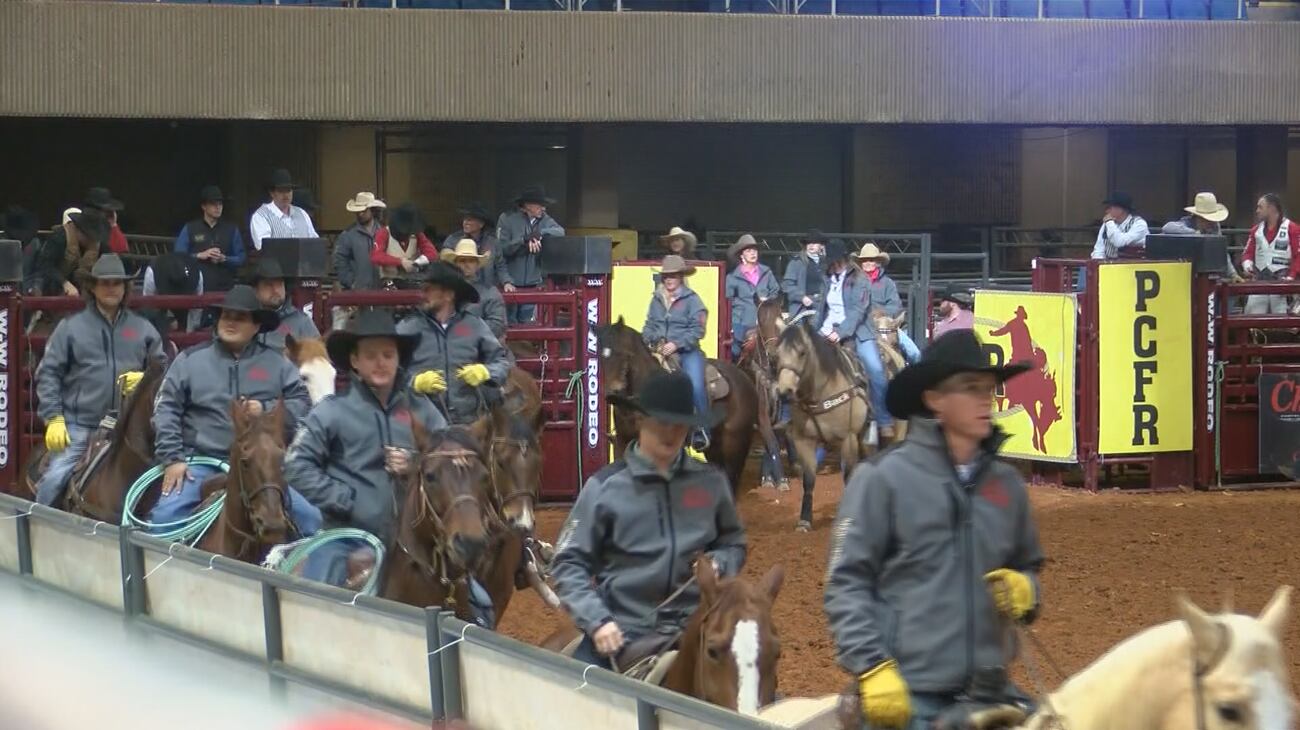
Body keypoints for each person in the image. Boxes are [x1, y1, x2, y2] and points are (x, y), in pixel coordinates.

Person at [825, 329, 1045, 730]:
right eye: (971, 388)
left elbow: (1028, 565)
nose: (986, 399)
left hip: (992, 691)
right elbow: (846, 584)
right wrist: (873, 668)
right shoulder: (882, 480)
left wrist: (1027, 590)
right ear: (935, 400)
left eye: (989, 389)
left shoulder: (1006, 486)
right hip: (908, 693)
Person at [552, 371, 746, 670]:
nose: (671, 433)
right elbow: (568, 563)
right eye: (662, 422)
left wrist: (720, 561)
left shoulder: (711, 482)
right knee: (577, 697)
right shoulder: (604, 489)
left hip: (701, 628)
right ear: (640, 420)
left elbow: (733, 543)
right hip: (624, 631)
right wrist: (598, 621)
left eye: (680, 425)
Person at [285, 308, 448, 586]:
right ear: (355, 361)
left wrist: (416, 463)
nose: (380, 363)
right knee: (315, 599)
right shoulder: (331, 412)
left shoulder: (422, 409)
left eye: (388, 355)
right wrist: (344, 499)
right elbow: (296, 465)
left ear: (398, 360)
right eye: (370, 356)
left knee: (477, 601)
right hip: (345, 537)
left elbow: (450, 457)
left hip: (417, 537)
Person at [149, 285, 321, 531]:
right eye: (226, 316)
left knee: (311, 519)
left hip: (261, 467)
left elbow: (303, 402)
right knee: (164, 521)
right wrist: (173, 459)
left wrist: (265, 409)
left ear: (256, 326)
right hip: (200, 461)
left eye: (240, 318)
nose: (230, 322)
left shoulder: (277, 364)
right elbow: (166, 409)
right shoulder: (189, 360)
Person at [33, 255, 165, 506]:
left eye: (117, 283)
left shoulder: (143, 328)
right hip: (79, 425)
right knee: (54, 479)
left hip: (128, 429)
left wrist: (146, 379)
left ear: (125, 288)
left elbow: (164, 372)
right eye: (105, 283)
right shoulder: (70, 328)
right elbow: (48, 373)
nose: (111, 288)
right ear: (92, 287)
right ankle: (37, 529)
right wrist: (54, 418)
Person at [400, 262, 511, 425]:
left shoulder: (474, 325)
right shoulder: (407, 328)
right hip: (421, 426)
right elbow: (390, 373)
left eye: (429, 289)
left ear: (448, 294)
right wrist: (414, 382)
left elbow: (502, 362)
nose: (423, 294)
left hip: (468, 422)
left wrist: (485, 372)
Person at [841, 243, 921, 440]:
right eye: (864, 260)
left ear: (877, 262)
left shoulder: (887, 284)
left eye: (871, 260)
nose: (867, 263)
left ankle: (913, 389)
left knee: (915, 352)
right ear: (860, 263)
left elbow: (895, 305)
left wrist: (882, 313)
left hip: (885, 325)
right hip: (861, 326)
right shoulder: (853, 282)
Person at [642, 255, 711, 451]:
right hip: (659, 351)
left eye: (673, 276)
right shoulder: (656, 300)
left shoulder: (693, 300)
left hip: (688, 352)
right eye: (666, 276)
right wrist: (652, 339)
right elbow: (649, 325)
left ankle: (702, 430)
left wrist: (677, 344)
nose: (669, 279)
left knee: (696, 385)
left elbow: (698, 330)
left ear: (681, 277)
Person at [497, 185, 564, 323]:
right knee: (508, 326)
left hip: (532, 284)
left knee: (527, 325)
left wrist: (539, 234)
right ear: (528, 205)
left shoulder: (544, 219)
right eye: (540, 205)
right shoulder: (507, 219)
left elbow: (560, 231)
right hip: (510, 284)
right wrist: (523, 241)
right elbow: (502, 249)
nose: (544, 208)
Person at [174, 185, 245, 293]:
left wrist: (224, 259)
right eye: (213, 204)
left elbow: (241, 258)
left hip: (225, 287)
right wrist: (199, 255)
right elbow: (178, 256)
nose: (218, 207)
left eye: (220, 204)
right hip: (197, 286)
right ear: (204, 206)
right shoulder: (190, 228)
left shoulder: (231, 229)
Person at [26, 208, 108, 297]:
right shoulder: (59, 237)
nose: (92, 240)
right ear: (79, 231)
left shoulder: (98, 244)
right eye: (89, 236)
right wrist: (64, 283)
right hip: (54, 290)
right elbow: (45, 266)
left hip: (86, 293)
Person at [1241, 193, 1300, 315]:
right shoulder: (1255, 231)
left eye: (1260, 207)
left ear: (1272, 208)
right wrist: (1248, 265)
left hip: (1282, 281)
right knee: (1253, 318)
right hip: (1259, 280)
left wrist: (1291, 277)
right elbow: (1247, 253)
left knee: (1283, 321)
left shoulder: (1292, 228)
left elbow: (1298, 255)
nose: (1257, 211)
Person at [724, 234, 779, 360]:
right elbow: (728, 301)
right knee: (735, 352)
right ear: (741, 255)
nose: (753, 253)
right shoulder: (732, 277)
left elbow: (775, 290)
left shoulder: (766, 272)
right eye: (748, 251)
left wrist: (768, 300)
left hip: (764, 320)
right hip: (741, 321)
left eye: (754, 250)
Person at [1160, 191, 1238, 280]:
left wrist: (1233, 274)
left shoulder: (1215, 226)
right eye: (1208, 220)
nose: (1211, 223)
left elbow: (1221, 250)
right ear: (1198, 218)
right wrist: (1194, 233)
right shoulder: (1186, 223)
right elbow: (1167, 227)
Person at [250, 257, 321, 354]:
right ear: (255, 290)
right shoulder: (245, 320)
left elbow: (318, 360)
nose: (275, 290)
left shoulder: (302, 323)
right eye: (269, 285)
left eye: (279, 284)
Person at [442, 239, 507, 342]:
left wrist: (464, 331)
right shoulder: (443, 292)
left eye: (471, 261)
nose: (466, 264)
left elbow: (497, 326)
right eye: (462, 261)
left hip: (481, 349)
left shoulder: (490, 292)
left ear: (477, 265)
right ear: (455, 264)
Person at [443, 202, 510, 291]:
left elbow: (500, 266)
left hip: (486, 290)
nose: (465, 223)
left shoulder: (492, 242)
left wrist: (507, 282)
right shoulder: (452, 240)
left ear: (481, 224)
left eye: (470, 220)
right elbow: (445, 266)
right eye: (464, 220)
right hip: (461, 290)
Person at [249, 169, 318, 251]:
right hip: (276, 263)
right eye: (281, 191)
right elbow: (265, 249)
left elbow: (315, 243)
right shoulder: (261, 216)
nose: (286, 195)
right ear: (272, 193)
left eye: (288, 190)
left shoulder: (302, 213)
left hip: (304, 263)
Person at [371, 203, 438, 284]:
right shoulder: (384, 232)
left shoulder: (416, 233)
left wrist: (416, 263)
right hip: (389, 281)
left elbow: (432, 253)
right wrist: (400, 261)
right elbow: (376, 256)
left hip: (411, 280)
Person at [334, 192, 386, 293]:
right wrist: (351, 282)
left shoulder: (384, 232)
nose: (360, 214)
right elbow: (339, 261)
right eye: (358, 211)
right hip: (358, 293)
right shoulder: (348, 235)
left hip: (382, 292)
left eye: (364, 211)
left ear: (372, 211)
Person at [1089, 192, 1148, 260]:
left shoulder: (1139, 224)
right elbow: (1098, 249)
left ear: (1121, 209)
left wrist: (1109, 222)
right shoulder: (1108, 224)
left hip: (1132, 265)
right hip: (1108, 265)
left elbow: (1119, 242)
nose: (1107, 211)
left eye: (1110, 207)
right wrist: (1099, 264)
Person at [782, 229, 827, 318]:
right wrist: (801, 297)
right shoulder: (796, 262)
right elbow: (787, 285)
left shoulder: (827, 263)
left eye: (814, 243)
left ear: (821, 246)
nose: (811, 245)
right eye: (809, 243)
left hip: (822, 307)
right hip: (801, 308)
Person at [83, 187, 129, 256]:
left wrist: (113, 224)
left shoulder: (107, 228)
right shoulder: (81, 226)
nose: (106, 215)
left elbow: (121, 249)